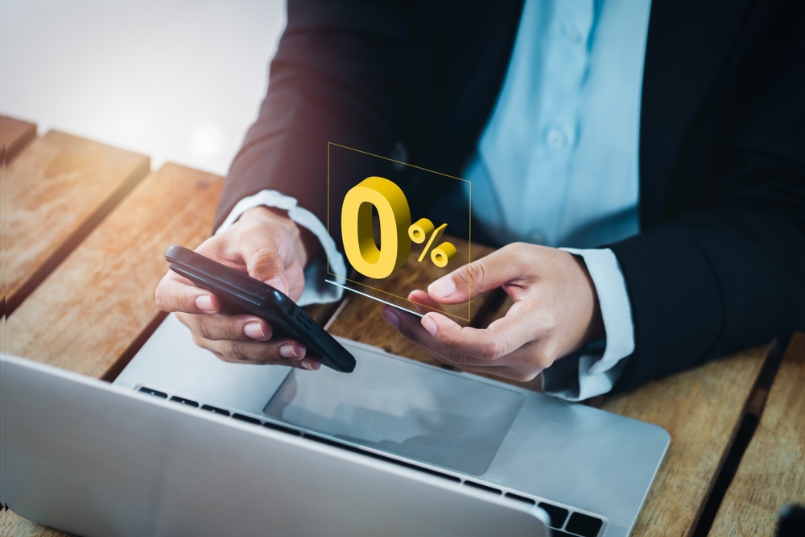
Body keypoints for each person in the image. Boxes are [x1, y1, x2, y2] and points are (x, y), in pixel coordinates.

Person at [156, 0, 805, 400]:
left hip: (692, 327)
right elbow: (339, 57)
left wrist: (603, 295)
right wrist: (279, 215)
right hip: (410, 276)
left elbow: (789, 204)